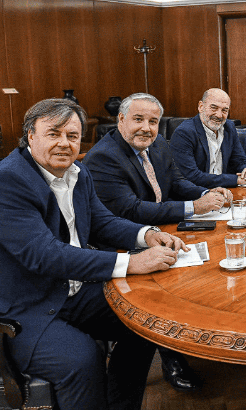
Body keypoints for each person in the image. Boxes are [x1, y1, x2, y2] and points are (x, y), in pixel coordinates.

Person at [0, 98, 187, 410]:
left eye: (72, 136)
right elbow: (44, 256)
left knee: (144, 320)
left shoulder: (77, 172)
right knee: (82, 360)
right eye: (53, 133)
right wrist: (132, 262)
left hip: (62, 290)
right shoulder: (5, 183)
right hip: (13, 309)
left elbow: (102, 222)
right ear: (31, 135)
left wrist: (148, 235)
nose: (64, 143)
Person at [84, 92, 233, 391]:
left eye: (153, 121)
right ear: (121, 120)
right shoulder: (103, 156)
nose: (146, 128)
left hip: (162, 228)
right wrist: (194, 207)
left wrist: (206, 194)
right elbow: (131, 209)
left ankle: (196, 336)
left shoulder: (159, 143)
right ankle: (172, 354)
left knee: (212, 262)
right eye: (138, 119)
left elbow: (177, 182)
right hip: (123, 238)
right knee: (171, 284)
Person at [170, 88, 246, 188]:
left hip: (225, 189)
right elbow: (191, 176)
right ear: (201, 106)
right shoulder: (184, 133)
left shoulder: (229, 127)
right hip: (198, 192)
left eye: (224, 110)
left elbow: (240, 159)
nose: (219, 115)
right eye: (214, 108)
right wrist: (236, 180)